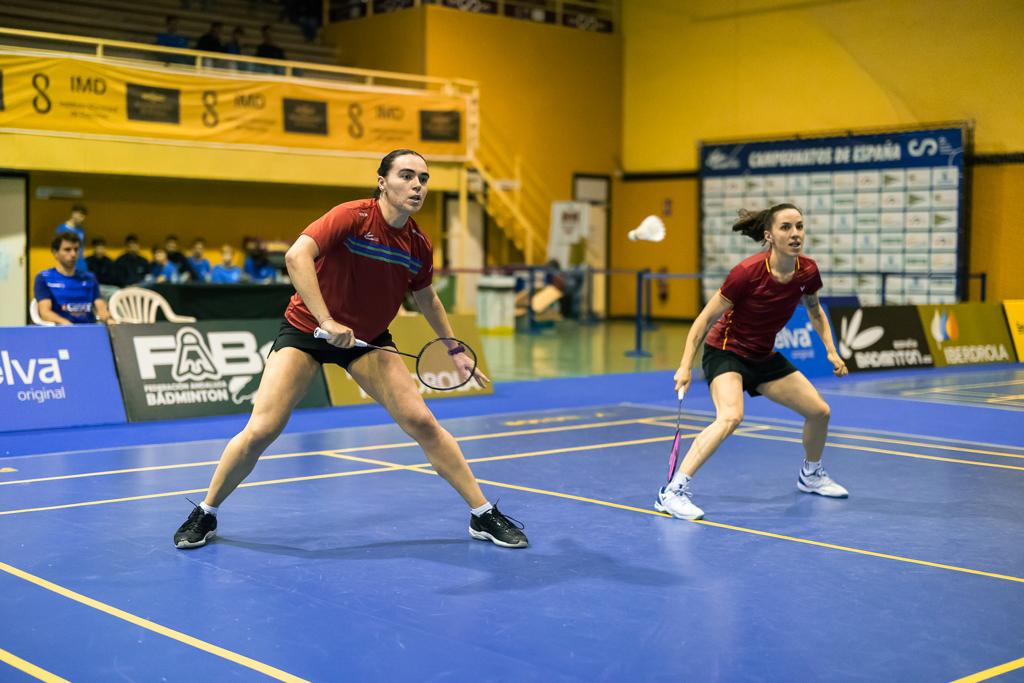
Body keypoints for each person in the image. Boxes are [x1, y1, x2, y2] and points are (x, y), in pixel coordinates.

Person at [173, 149, 528, 550]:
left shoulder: (417, 243)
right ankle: (206, 511)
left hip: (367, 340)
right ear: (382, 182)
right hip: (307, 330)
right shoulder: (352, 216)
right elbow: (296, 255)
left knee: (423, 422)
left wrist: (453, 346)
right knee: (262, 429)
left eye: (423, 179)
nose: (416, 185)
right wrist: (326, 321)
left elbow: (426, 296)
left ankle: (482, 514)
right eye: (407, 176)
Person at [657, 204, 849, 521]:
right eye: (786, 227)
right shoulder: (747, 273)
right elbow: (704, 320)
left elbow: (815, 311)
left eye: (799, 226)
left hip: (762, 355)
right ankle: (672, 491)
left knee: (819, 412)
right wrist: (685, 365)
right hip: (726, 352)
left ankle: (811, 474)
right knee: (731, 416)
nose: (795, 234)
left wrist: (830, 350)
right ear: (769, 235)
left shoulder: (807, 272)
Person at [34, 233, 115, 325]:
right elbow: (45, 313)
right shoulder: (44, 278)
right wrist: (67, 325)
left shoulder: (89, 277)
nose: (73, 254)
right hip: (61, 331)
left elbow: (99, 302)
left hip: (89, 329)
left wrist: (106, 317)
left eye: (76, 250)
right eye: (67, 250)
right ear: (55, 253)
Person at [55, 204, 89, 273]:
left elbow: (82, 247)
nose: (81, 219)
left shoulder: (81, 230)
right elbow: (58, 248)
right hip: (67, 264)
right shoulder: (62, 229)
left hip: (80, 264)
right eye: (80, 216)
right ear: (73, 213)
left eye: (83, 217)